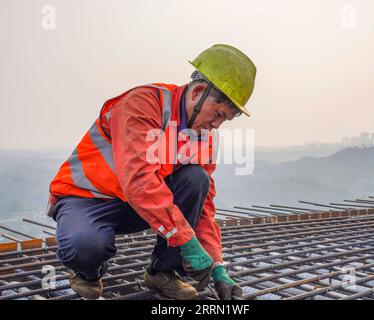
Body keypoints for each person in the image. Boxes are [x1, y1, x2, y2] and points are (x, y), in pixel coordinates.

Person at [47, 44, 256, 300]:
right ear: (198, 92)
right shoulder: (144, 104)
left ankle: (163, 273)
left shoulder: (204, 138)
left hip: (137, 207)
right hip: (87, 199)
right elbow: (138, 179)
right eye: (218, 114)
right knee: (86, 247)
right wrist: (187, 242)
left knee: (196, 179)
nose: (216, 125)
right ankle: (88, 270)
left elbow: (203, 208)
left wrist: (217, 265)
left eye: (225, 120)